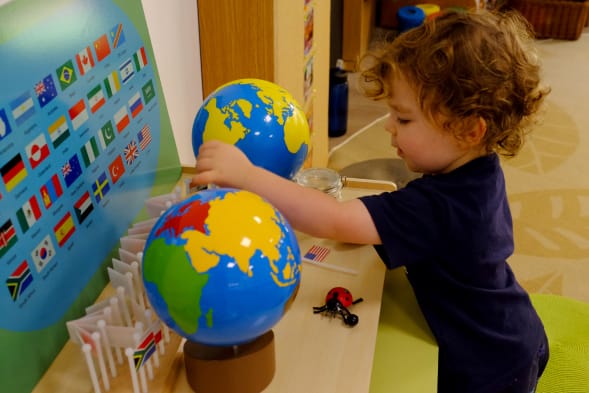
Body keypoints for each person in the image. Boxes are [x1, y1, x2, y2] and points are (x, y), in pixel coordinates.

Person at [191, 9, 551, 393]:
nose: (388, 127)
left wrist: (247, 176)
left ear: (468, 129)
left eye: (404, 119)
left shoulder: (439, 207)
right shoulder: (477, 170)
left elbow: (338, 221)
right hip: (512, 332)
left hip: (487, 365)